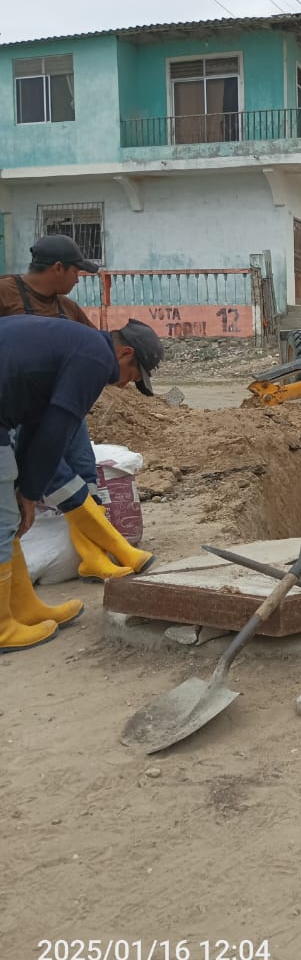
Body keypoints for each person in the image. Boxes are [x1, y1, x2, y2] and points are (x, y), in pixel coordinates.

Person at [0, 317, 164, 653]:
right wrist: (29, 493)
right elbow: (56, 431)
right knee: (3, 521)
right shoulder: (94, 360)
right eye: (133, 376)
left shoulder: (81, 346)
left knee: (6, 517)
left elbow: (37, 424)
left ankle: (24, 608)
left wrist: (27, 488)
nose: (124, 386)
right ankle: (3, 628)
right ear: (125, 353)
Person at [0, 235, 132, 579]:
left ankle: (94, 555)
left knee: (84, 468)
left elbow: (97, 351)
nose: (78, 279)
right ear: (58, 268)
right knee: (48, 466)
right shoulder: (5, 293)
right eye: (77, 272)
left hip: (61, 401)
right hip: (15, 405)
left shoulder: (68, 309)